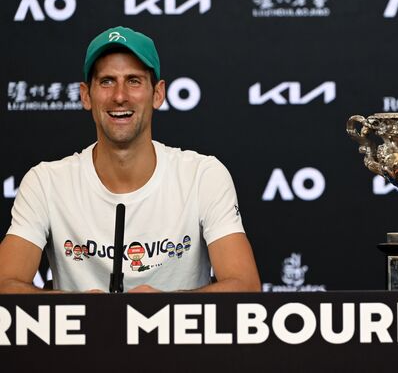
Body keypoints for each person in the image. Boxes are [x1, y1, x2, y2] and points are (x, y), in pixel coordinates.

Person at [0, 26, 261, 293]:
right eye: (107, 81)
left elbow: (246, 286)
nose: (120, 96)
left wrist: (164, 306)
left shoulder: (203, 176)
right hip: (81, 335)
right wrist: (76, 307)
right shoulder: (46, 182)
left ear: (157, 94)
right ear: (86, 95)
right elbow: (5, 284)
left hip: (177, 336)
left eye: (134, 81)